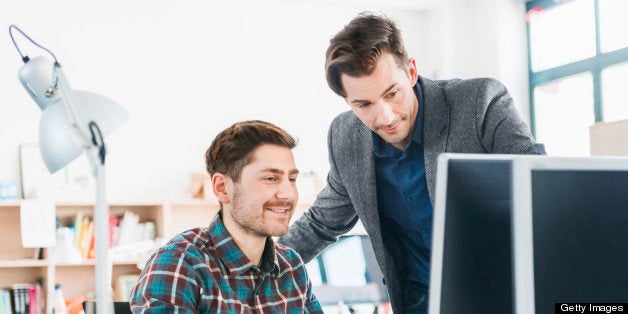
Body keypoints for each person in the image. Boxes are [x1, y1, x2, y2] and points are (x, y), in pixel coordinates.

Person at [278, 12, 545, 314]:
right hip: (418, 299)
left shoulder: (479, 102)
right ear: (347, 100)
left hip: (499, 291)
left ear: (412, 71)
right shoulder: (345, 136)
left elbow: (538, 185)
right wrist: (256, 268)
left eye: (392, 93)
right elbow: (321, 224)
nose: (385, 117)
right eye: (363, 104)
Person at [130, 120, 323, 313]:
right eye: (271, 178)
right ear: (222, 188)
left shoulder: (291, 265)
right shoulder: (179, 263)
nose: (288, 193)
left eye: (291, 179)